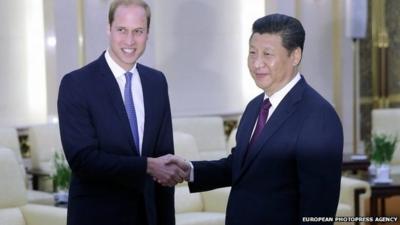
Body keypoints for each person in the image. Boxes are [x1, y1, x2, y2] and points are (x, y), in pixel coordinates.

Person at [169, 13, 343, 225]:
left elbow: (319, 207)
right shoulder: (254, 107)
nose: (256, 63)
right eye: (252, 53)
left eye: (267, 54)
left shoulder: (318, 116)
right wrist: (190, 170)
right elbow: (241, 166)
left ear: (295, 56)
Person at [57, 1, 187, 225]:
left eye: (138, 31)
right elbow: (83, 160)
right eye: (121, 30)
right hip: (97, 217)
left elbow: (163, 162)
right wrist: (146, 165)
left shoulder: (156, 82)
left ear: (147, 33)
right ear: (109, 29)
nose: (129, 40)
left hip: (148, 216)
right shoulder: (76, 84)